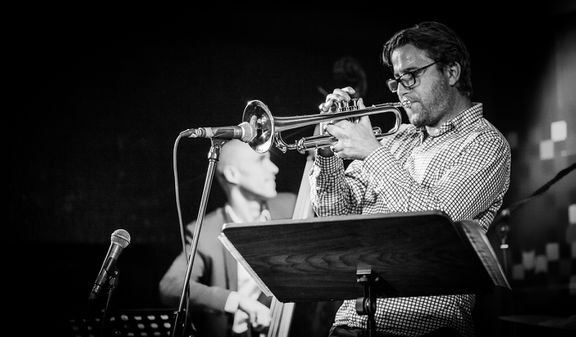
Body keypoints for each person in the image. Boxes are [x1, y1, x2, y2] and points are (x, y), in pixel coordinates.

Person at [311, 21, 511, 337]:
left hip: (425, 328)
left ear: (451, 72)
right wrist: (326, 156)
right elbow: (336, 216)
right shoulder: (393, 140)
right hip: (351, 322)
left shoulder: (484, 143)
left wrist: (373, 154)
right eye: (397, 80)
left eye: (412, 75)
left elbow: (437, 223)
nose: (402, 89)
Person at [159, 139, 296, 337]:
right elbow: (171, 286)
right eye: (261, 161)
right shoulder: (206, 231)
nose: (274, 168)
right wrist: (236, 301)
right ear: (232, 174)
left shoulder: (293, 207)